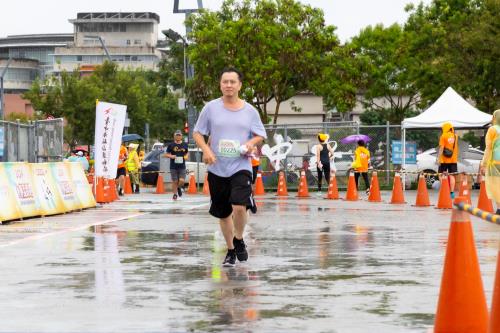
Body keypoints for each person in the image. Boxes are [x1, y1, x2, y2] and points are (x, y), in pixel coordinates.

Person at [193, 67, 267, 267]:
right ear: (220, 84)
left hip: (241, 165)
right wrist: (206, 151)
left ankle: (239, 237)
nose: (228, 85)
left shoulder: (250, 111)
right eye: (225, 81)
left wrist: (252, 143)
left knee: (239, 206)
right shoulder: (210, 108)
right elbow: (197, 133)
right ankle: (231, 249)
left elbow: (261, 134)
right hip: (217, 168)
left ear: (240, 85)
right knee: (224, 213)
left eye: (232, 82)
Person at [480, 109, 500, 215]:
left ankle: (499, 208)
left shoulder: (492, 130)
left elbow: (488, 148)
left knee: (496, 185)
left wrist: (483, 164)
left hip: (495, 163)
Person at [164, 130, 189, 200]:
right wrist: (171, 156)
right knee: (175, 181)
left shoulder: (184, 144)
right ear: (174, 136)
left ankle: (179, 188)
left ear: (181, 136)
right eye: (177, 135)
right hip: (173, 166)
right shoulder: (171, 145)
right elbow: (166, 154)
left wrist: (186, 156)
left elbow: (187, 152)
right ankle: (175, 194)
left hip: (182, 166)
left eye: (179, 135)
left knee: (182, 180)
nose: (178, 136)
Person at [437, 122, 458, 198]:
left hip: (444, 159)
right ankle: (452, 193)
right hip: (453, 159)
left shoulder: (443, 136)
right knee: (452, 175)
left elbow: (441, 148)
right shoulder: (455, 136)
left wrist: (438, 158)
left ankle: (444, 190)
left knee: (440, 174)